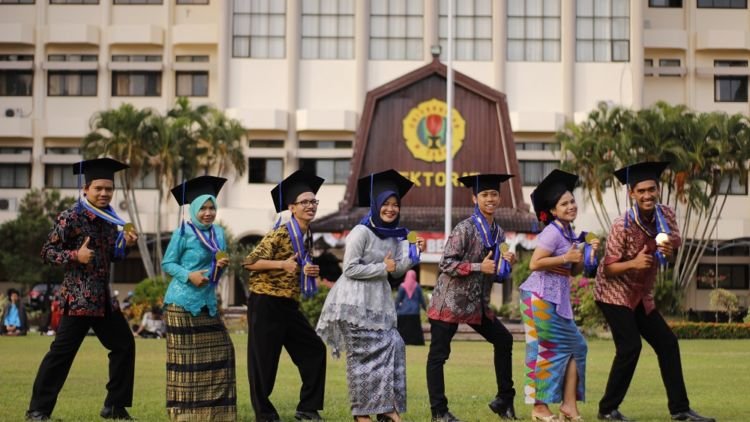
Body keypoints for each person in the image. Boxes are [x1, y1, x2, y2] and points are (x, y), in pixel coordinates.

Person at [595, 162, 714, 422]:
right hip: (613, 293)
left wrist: (670, 253)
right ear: (632, 194)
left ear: (657, 190)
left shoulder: (666, 216)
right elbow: (609, 268)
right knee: (630, 347)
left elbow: (670, 253)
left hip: (640, 293)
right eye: (642, 191)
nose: (648, 195)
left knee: (667, 343)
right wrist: (634, 263)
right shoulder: (622, 225)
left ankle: (680, 410)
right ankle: (607, 410)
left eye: (652, 189)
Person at [26, 158, 138, 421]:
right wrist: (76, 254)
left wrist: (127, 245)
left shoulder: (111, 219)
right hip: (77, 300)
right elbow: (47, 252)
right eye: (98, 188)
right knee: (61, 356)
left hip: (104, 301)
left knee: (124, 345)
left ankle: (114, 406)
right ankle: (37, 411)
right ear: (85, 189)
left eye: (108, 189)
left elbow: (112, 255)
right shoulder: (71, 216)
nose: (104, 193)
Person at [316, 169, 425, 422]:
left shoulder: (396, 235)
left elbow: (396, 269)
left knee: (394, 344)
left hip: (378, 302)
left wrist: (412, 254)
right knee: (361, 358)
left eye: (395, 204)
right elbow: (350, 268)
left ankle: (386, 408)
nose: (390, 209)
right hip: (353, 303)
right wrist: (381, 268)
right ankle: (362, 413)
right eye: (385, 204)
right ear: (375, 205)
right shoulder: (360, 232)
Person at [426, 174, 519, 422]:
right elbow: (446, 263)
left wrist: (507, 265)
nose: (490, 199)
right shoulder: (464, 228)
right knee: (439, 356)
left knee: (504, 340)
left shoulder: (498, 233)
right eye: (485, 194)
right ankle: (439, 411)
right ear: (474, 198)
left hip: (477, 305)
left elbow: (495, 274)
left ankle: (504, 400)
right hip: (449, 302)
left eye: (494, 194)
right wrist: (479, 267)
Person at [243, 170, 327, 422]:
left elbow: (298, 264)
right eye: (305, 202)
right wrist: (282, 265)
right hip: (265, 301)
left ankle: (307, 408)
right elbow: (249, 262)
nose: (310, 206)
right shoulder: (279, 233)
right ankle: (264, 414)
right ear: (292, 207)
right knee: (264, 362)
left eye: (313, 202)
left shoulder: (307, 233)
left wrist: (307, 269)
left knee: (314, 350)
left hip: (289, 303)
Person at [519, 170, 600, 422]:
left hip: (555, 299)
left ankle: (568, 406)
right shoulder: (552, 232)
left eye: (572, 201)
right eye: (564, 204)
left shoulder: (568, 232)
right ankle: (540, 408)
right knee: (546, 350)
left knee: (576, 347)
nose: (571, 206)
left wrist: (587, 253)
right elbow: (534, 263)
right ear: (553, 211)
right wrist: (566, 257)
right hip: (539, 297)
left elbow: (572, 271)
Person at [161, 175, 237, 421]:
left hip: (207, 302)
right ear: (193, 209)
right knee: (184, 363)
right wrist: (188, 275)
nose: (208, 213)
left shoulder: (219, 233)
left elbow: (217, 271)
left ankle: (216, 413)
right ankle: (184, 415)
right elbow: (168, 263)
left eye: (211, 207)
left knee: (223, 351)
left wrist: (221, 266)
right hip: (180, 303)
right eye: (202, 208)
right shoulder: (183, 232)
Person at [395, 269, 427, 346]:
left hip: (403, 311)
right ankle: (416, 342)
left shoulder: (402, 286)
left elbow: (398, 299)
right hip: (414, 312)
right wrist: (425, 308)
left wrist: (395, 309)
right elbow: (421, 299)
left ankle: (403, 342)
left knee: (402, 329)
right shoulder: (417, 286)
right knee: (415, 329)